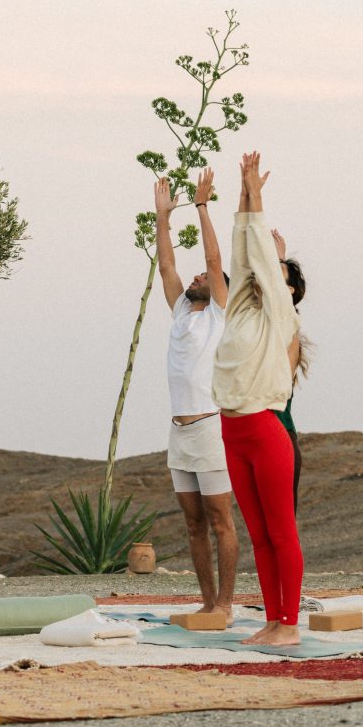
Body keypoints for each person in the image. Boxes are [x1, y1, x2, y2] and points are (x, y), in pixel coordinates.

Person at [213, 152, 303, 646]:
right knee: (258, 536)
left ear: (286, 290)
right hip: (233, 433)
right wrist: (242, 195)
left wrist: (258, 199)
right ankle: (272, 620)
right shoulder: (239, 315)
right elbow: (244, 255)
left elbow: (265, 269)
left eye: (276, 273)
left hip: (265, 433)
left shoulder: (281, 318)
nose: (265, 273)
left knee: (281, 531)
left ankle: (288, 624)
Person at [154, 168, 238, 623]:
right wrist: (162, 218)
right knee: (192, 524)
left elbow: (213, 254)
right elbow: (166, 265)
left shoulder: (219, 315)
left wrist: (203, 207)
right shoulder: (183, 310)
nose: (195, 275)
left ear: (216, 283)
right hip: (178, 429)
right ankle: (207, 602)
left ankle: (225, 603)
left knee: (220, 519)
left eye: (204, 275)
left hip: (209, 426)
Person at [270, 229, 309, 513]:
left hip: (279, 434)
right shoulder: (263, 323)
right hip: (258, 434)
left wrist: (280, 261)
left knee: (281, 529)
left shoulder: (288, 327)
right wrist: (278, 260)